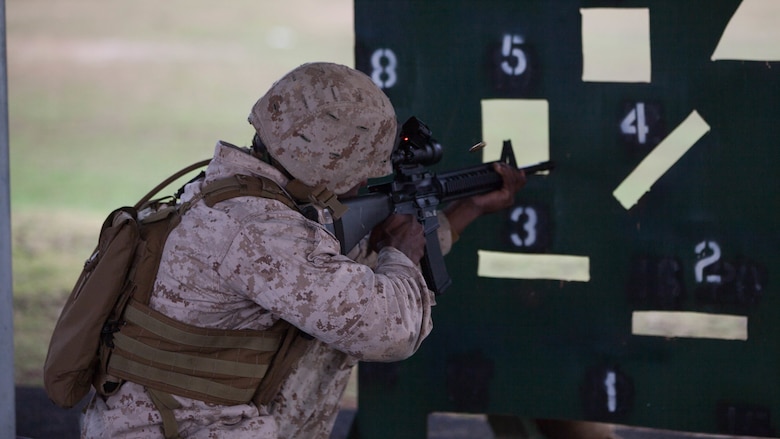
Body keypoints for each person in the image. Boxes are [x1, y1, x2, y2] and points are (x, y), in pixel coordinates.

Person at [81, 62, 526, 438]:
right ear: (329, 163)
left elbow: (341, 277)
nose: (359, 185)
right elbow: (391, 328)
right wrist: (403, 254)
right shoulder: (262, 231)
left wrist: (466, 211)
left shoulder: (229, 193)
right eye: (359, 173)